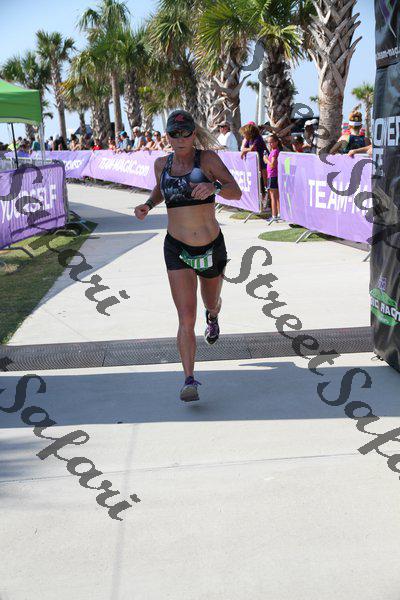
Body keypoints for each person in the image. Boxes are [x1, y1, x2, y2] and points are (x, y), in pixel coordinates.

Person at [134, 109, 241, 402]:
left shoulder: (207, 160)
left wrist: (214, 186)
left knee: (210, 301)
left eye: (185, 133)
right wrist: (148, 205)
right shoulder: (161, 164)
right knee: (185, 317)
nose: (180, 138)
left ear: (193, 134)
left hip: (210, 247)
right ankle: (189, 379)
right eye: (174, 134)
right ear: (167, 136)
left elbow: (236, 191)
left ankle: (214, 314)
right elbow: (160, 189)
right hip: (177, 249)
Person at [239, 122, 268, 206]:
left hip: (264, 164)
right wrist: (244, 150)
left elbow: (252, 149)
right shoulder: (249, 139)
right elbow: (244, 148)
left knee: (264, 184)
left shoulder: (258, 138)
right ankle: (261, 202)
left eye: (244, 133)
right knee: (258, 184)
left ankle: (266, 202)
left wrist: (244, 151)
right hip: (257, 165)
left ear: (249, 132)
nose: (243, 135)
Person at [264, 134, 281, 222]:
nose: (270, 144)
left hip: (272, 175)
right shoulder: (274, 151)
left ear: (276, 142)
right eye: (268, 142)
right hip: (273, 175)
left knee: (273, 196)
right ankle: (279, 214)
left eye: (271, 142)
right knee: (276, 196)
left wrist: (266, 159)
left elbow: (272, 165)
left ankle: (274, 215)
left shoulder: (274, 152)